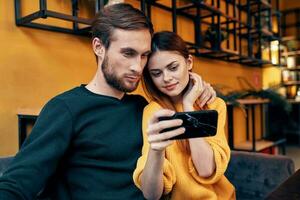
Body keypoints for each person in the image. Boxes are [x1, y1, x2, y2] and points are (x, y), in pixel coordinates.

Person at [0, 3, 216, 200]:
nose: (137, 67)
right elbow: (17, 183)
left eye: (144, 55)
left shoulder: (144, 108)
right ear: (99, 47)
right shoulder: (66, 108)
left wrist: (196, 91)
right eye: (128, 53)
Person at [133, 31, 235, 200]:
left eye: (173, 67)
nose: (166, 78)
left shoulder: (215, 105)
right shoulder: (154, 112)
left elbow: (206, 169)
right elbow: (151, 194)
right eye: (156, 73)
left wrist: (188, 106)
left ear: (189, 62)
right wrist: (156, 149)